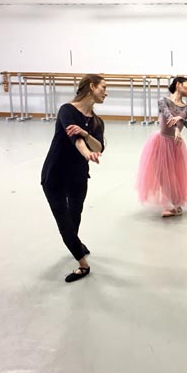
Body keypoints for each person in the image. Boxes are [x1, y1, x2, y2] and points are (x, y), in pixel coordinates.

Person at [41, 74, 106, 282]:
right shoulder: (66, 110)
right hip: (55, 174)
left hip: (78, 176)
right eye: (103, 87)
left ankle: (75, 244)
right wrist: (88, 153)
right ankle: (83, 264)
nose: (106, 92)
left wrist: (88, 137)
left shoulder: (97, 121)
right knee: (64, 220)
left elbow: (99, 146)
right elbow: (75, 139)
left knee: (74, 216)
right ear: (92, 86)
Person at [136, 76, 187, 217]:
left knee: (174, 175)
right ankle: (174, 203)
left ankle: (176, 206)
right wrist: (176, 128)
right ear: (178, 85)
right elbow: (167, 115)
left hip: (176, 144)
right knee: (162, 174)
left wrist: (181, 118)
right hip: (160, 142)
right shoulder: (163, 101)